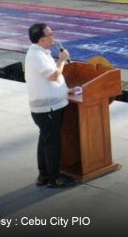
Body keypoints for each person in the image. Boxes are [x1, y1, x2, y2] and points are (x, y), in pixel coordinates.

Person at [25, 23, 76, 188]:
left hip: (48, 106)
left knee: (45, 140)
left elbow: (48, 80)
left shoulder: (40, 52)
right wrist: (62, 60)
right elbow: (54, 76)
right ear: (41, 39)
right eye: (50, 34)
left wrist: (65, 91)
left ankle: (44, 175)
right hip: (48, 108)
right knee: (52, 143)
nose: (53, 36)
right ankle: (54, 178)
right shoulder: (37, 55)